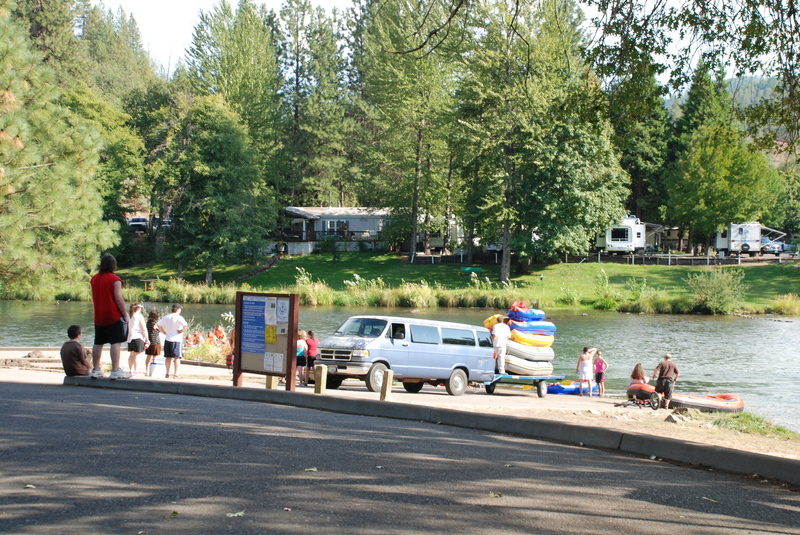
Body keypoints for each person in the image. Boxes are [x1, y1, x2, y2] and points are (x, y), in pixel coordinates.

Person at [90, 253, 131, 379]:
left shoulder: (94, 279)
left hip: (99, 315)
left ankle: (96, 369)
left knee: (98, 342)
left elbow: (93, 297)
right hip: (113, 315)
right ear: (114, 265)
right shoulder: (115, 280)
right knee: (115, 342)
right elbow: (118, 299)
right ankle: (115, 370)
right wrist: (125, 314)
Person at [158, 304, 188, 379]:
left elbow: (158, 325)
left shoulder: (167, 316)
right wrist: (182, 330)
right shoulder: (179, 317)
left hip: (168, 338)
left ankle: (167, 373)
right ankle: (176, 374)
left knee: (168, 357)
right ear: (178, 309)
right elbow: (185, 325)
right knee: (177, 357)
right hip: (176, 339)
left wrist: (163, 332)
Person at [126, 303, 148, 375]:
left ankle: (131, 370)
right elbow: (143, 328)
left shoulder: (129, 316)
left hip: (130, 337)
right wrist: (147, 338)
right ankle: (136, 370)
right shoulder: (139, 316)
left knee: (131, 354)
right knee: (137, 355)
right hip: (138, 337)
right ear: (138, 308)